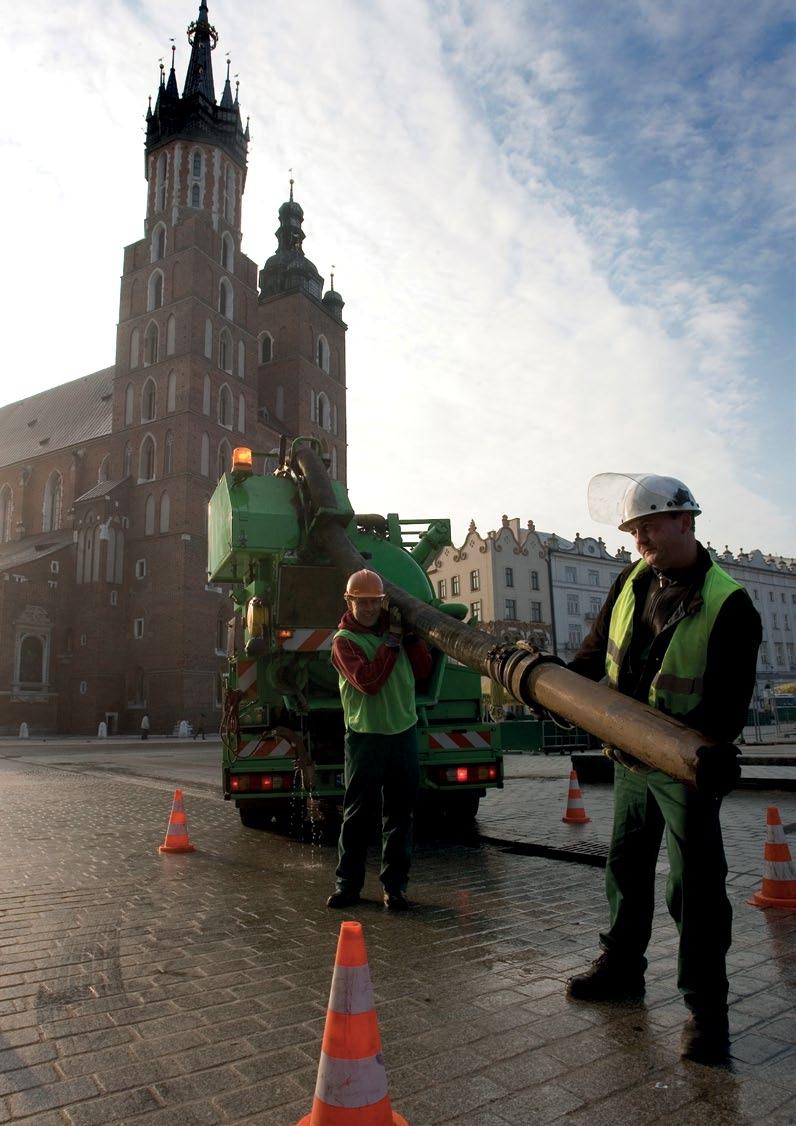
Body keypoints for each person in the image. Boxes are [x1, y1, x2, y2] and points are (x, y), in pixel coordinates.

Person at [565, 474, 761, 1065]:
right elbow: (594, 653)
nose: (640, 538)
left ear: (686, 521)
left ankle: (708, 1014)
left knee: (695, 890)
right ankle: (622, 968)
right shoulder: (629, 582)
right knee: (625, 867)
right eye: (633, 529)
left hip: (683, 767)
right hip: (629, 762)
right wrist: (554, 680)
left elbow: (725, 712)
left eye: (650, 525)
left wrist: (672, 746)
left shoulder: (729, 604)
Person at [327, 568, 432, 912]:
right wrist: (392, 642)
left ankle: (395, 888)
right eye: (363, 602)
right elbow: (369, 682)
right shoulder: (344, 642)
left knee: (400, 817)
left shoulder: (397, 635)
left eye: (375, 602)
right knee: (358, 815)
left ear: (382, 601)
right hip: (365, 738)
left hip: (402, 733)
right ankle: (348, 886)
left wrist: (412, 638)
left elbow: (423, 671)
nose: (370, 608)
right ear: (349, 601)